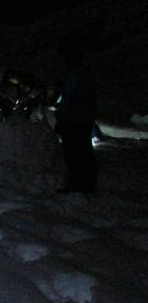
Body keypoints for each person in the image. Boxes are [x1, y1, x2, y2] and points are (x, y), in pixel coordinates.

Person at [54, 40, 98, 194]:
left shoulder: (74, 75)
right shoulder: (84, 74)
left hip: (75, 120)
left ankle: (79, 185)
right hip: (83, 119)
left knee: (74, 152)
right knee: (82, 151)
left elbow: (68, 98)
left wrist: (62, 118)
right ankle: (85, 183)